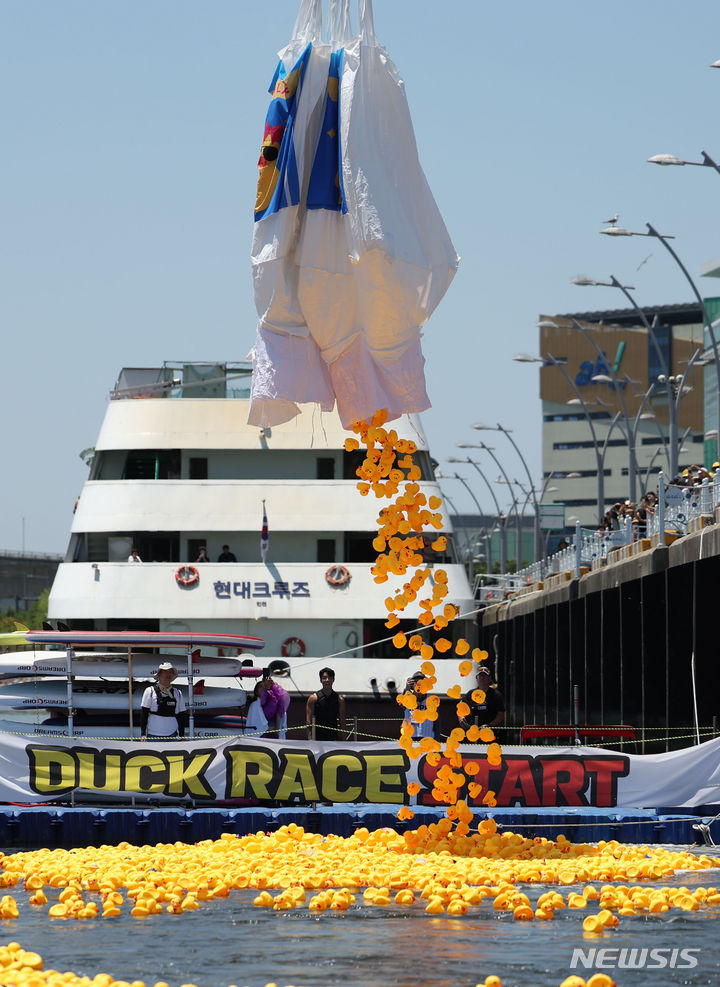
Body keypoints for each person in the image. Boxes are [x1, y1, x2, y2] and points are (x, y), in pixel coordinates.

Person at [140, 663, 187, 740]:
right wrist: (143, 734)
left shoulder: (178, 693)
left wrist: (182, 735)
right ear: (159, 675)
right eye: (165, 672)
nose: (168, 675)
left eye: (170, 672)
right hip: (153, 735)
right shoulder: (150, 691)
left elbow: (181, 716)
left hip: (172, 735)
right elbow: (144, 713)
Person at [458, 665, 505, 729]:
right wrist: (461, 718)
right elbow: (461, 706)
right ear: (476, 678)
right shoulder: (470, 694)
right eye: (480, 675)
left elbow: (501, 715)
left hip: (489, 733)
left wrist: (489, 725)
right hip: (473, 731)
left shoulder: (496, 695)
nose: (482, 678)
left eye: (485, 675)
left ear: (490, 678)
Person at [306, 667, 346, 740]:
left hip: (333, 738)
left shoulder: (339, 699)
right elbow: (309, 721)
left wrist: (344, 740)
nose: (327, 680)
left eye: (330, 677)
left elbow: (342, 721)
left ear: (333, 680)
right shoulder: (313, 698)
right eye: (324, 678)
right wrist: (310, 740)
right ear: (321, 680)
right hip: (317, 738)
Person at [402, 671, 437, 739]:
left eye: (422, 681)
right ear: (412, 684)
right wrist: (406, 689)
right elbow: (402, 704)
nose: (419, 684)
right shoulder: (407, 698)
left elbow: (437, 722)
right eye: (416, 681)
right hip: (410, 738)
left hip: (427, 738)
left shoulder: (431, 700)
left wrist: (437, 739)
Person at [258, 669, 290, 739]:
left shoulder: (273, 697)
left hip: (272, 731)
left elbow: (270, 711)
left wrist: (271, 688)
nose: (263, 688)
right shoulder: (255, 704)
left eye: (262, 686)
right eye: (260, 686)